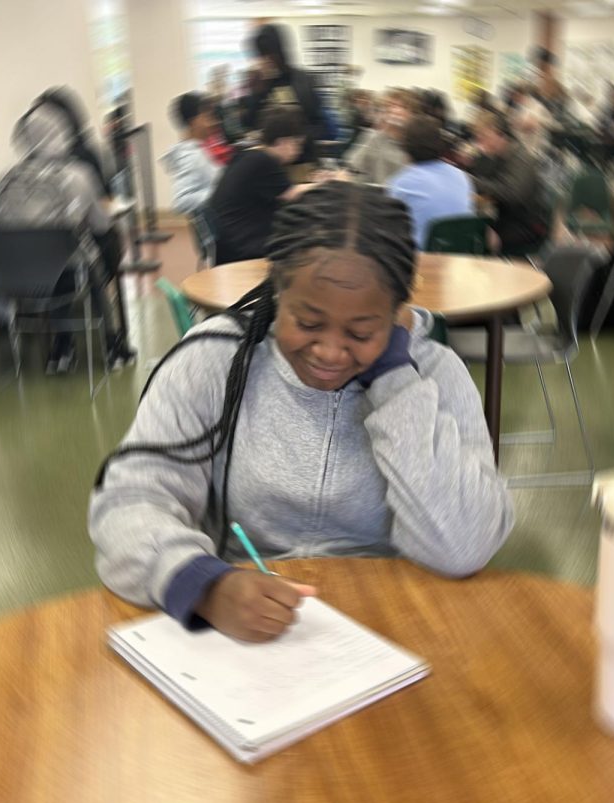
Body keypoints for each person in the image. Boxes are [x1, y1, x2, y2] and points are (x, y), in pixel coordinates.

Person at [89, 181, 515, 640]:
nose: (330, 352)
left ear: (397, 309)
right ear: (278, 289)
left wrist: (396, 380)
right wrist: (205, 583)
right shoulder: (215, 358)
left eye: (361, 331)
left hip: (395, 627)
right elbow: (128, 503)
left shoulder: (437, 376)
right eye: (307, 322)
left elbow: (465, 546)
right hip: (249, 629)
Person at [0, 100, 134, 372]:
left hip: (14, 279)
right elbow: (100, 226)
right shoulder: (78, 175)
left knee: (53, 261)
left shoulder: (8, 179)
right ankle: (112, 344)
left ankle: (61, 349)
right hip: (63, 274)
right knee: (86, 263)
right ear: (62, 132)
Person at [209, 106, 306, 264]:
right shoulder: (264, 162)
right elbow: (294, 194)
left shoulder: (248, 154)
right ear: (284, 142)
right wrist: (331, 182)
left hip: (229, 241)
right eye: (297, 144)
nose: (299, 151)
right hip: (242, 247)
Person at [243, 23, 332, 163]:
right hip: (269, 163)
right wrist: (258, 92)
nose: (267, 61)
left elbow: (321, 125)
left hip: (303, 159)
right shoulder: (257, 83)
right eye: (262, 56)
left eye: (270, 55)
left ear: (281, 52)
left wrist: (299, 138)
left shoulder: (302, 80)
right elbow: (248, 123)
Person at [467, 109, 550, 256]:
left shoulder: (520, 158)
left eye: (484, 137)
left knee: (477, 238)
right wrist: (481, 159)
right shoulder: (498, 156)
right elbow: (485, 179)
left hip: (528, 225)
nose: (480, 142)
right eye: (478, 137)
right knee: (473, 232)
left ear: (500, 134)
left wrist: (472, 181)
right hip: (509, 218)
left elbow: (512, 194)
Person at [387, 115, 475, 250]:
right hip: (460, 258)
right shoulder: (461, 176)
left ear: (406, 147)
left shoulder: (401, 183)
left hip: (421, 259)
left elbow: (389, 228)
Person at [160, 92, 221, 217]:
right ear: (194, 121)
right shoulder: (190, 157)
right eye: (207, 117)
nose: (213, 122)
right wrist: (223, 191)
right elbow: (181, 201)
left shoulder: (199, 150)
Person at [344, 87, 412, 185]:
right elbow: (352, 169)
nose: (394, 111)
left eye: (401, 106)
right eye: (389, 106)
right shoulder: (373, 138)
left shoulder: (416, 141)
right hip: (375, 194)